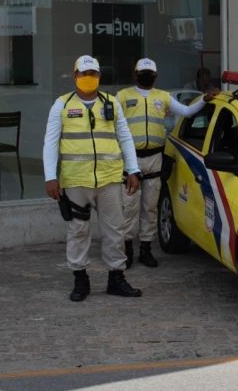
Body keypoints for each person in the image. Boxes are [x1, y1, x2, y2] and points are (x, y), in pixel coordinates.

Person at [43, 55, 143, 301]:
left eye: (93, 74)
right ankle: (80, 279)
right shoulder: (62, 105)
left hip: (110, 179)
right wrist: (50, 176)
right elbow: (50, 142)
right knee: (77, 231)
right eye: (84, 74)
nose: (89, 78)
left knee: (115, 231)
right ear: (75, 75)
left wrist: (133, 169)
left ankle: (116, 278)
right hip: (76, 180)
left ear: (99, 76)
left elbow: (125, 137)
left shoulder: (112, 103)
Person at [116, 58, 218, 268]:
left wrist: (204, 99)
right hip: (130, 160)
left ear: (155, 76)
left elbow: (187, 112)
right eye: (143, 73)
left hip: (155, 158)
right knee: (129, 208)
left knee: (150, 207)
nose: (147, 77)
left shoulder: (163, 97)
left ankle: (146, 249)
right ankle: (127, 249)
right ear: (136, 75)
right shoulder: (123, 96)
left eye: (150, 74)